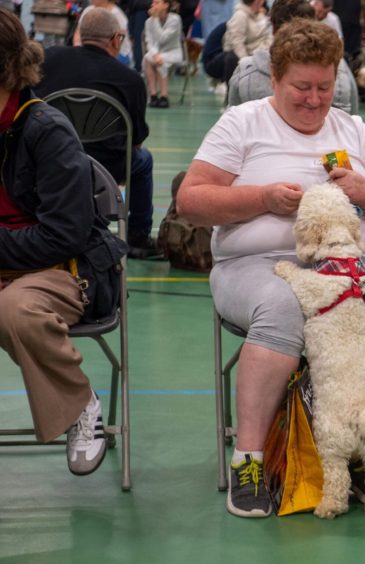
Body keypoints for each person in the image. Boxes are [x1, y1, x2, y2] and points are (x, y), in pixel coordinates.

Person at [176, 19, 365, 518]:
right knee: (284, 305)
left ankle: (358, 456)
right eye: (301, 88)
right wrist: (262, 199)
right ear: (274, 81)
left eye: (324, 88)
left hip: (349, 267)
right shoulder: (242, 122)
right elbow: (192, 201)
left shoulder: (351, 127)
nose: (313, 100)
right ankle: (250, 460)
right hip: (255, 267)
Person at [0, 8, 127, 478]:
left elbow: (63, 236)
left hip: (62, 271)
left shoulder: (45, 130)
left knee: (15, 311)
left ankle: (80, 405)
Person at [36, 7, 159, 259]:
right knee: (143, 161)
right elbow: (135, 143)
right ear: (116, 40)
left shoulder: (48, 60)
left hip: (49, 161)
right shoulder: (130, 80)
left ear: (80, 34)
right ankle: (137, 237)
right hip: (106, 167)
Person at [228, 0, 357, 114]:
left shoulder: (247, 70)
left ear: (274, 28)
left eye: (323, 88)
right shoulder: (340, 69)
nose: (313, 100)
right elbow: (351, 121)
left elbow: (232, 123)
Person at [143, 0, 184, 108]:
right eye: (152, 3)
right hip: (156, 53)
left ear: (166, 5)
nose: (153, 5)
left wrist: (155, 19)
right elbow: (149, 42)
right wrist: (155, 54)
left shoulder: (175, 19)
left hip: (173, 52)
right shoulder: (148, 22)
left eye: (156, 2)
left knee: (157, 60)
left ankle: (164, 96)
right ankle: (153, 95)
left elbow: (162, 39)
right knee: (149, 59)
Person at [222, 0, 272, 84]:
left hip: (259, 55)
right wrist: (247, 62)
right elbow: (237, 42)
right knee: (232, 58)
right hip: (243, 58)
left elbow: (268, 36)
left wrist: (264, 53)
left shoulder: (261, 15)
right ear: (257, 1)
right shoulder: (240, 15)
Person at [73, 0, 133, 66]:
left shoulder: (118, 15)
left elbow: (118, 40)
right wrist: (78, 49)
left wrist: (104, 56)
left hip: (118, 55)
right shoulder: (88, 10)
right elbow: (78, 33)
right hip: (92, 52)